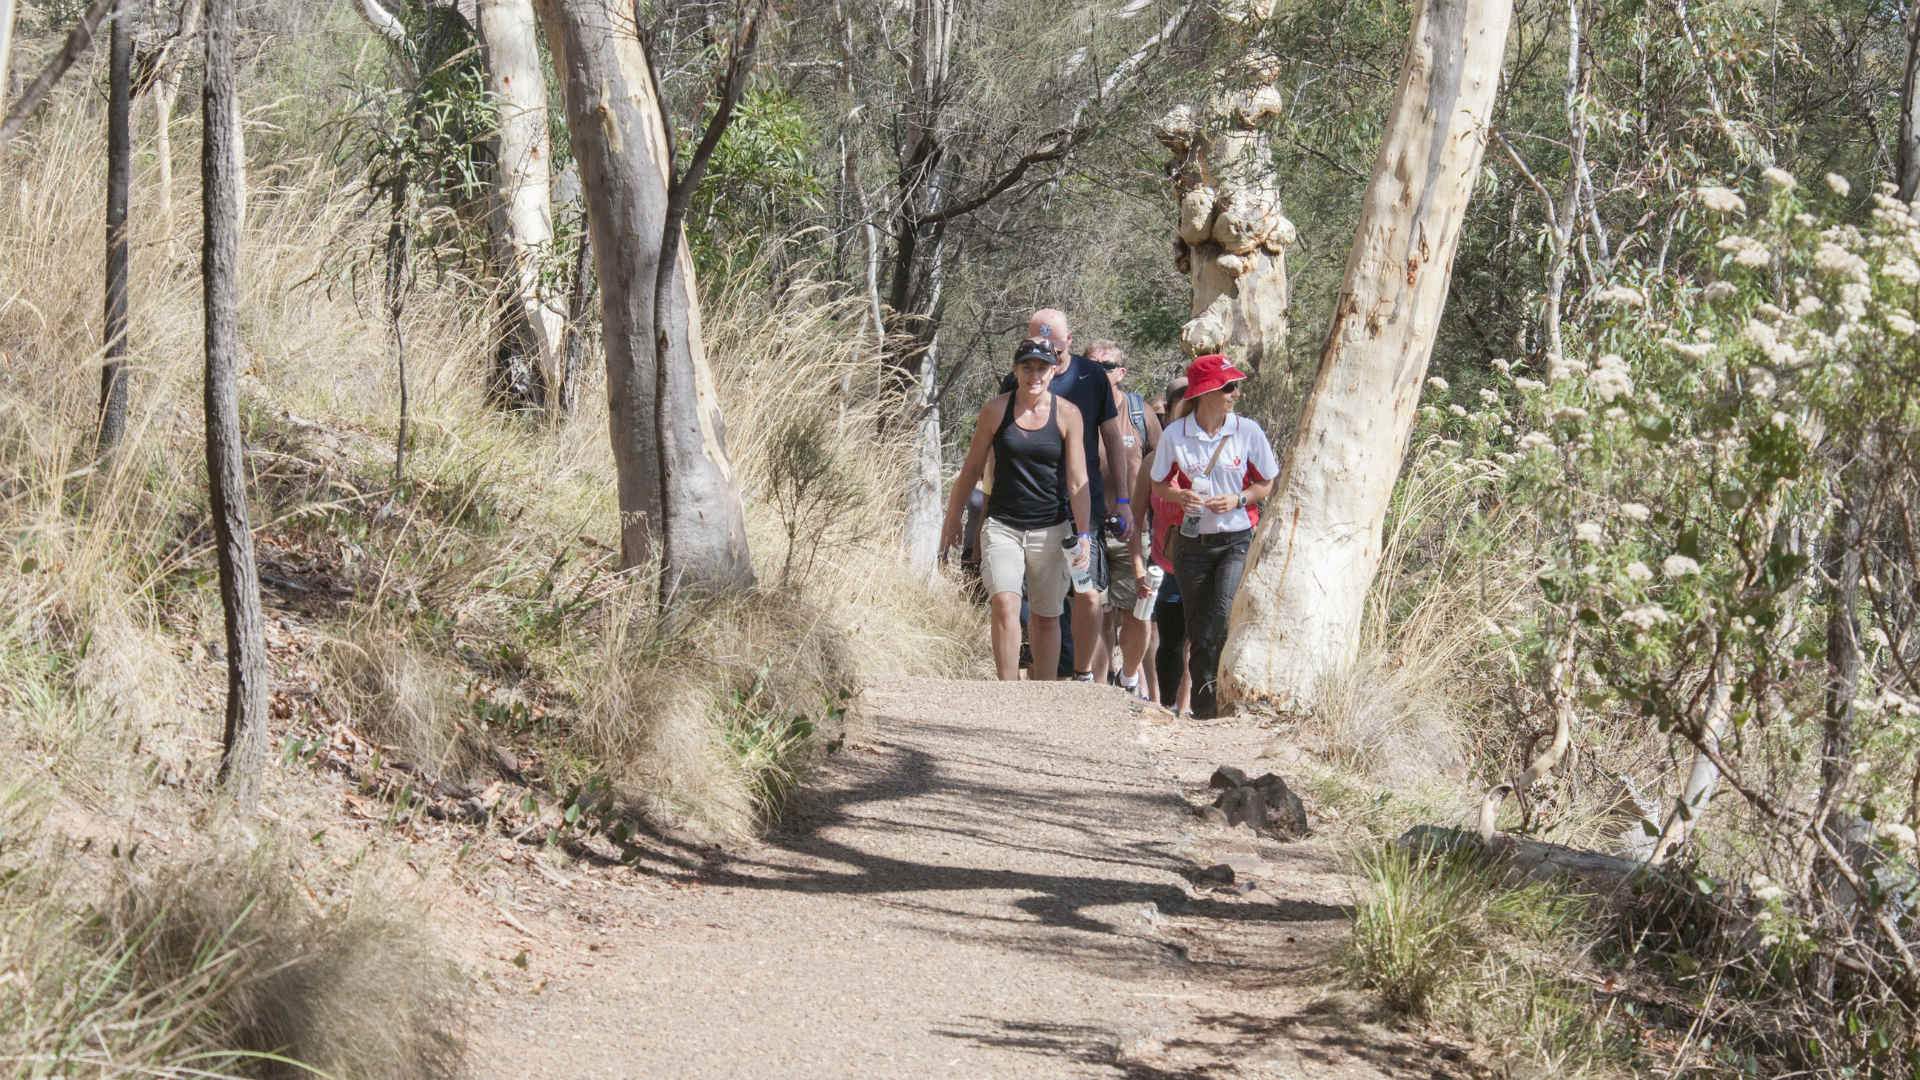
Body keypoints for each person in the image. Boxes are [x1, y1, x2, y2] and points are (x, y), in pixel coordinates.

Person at [942, 338, 1094, 680]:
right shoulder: (996, 411)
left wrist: (1083, 534)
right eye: (1027, 367)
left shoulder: (1068, 414)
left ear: (1053, 371)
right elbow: (970, 470)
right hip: (1002, 525)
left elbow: (1077, 480)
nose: (1034, 375)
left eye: (1042, 368)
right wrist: (953, 517)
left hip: (1051, 528)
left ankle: (1042, 694)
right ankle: (1007, 691)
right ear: (1016, 369)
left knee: (1046, 615)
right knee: (1005, 602)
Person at [1000, 310, 1132, 682]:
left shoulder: (1092, 378)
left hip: (1079, 503)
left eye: (1055, 346)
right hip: (1029, 505)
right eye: (1039, 344)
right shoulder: (1018, 378)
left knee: (1087, 592)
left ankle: (1083, 673)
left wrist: (1122, 499)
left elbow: (1112, 439)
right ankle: (1041, 675)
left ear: (1069, 341)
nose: (1046, 355)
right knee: (1036, 600)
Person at [1149, 354, 1278, 719]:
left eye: (1235, 387)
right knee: (1198, 627)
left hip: (1235, 541)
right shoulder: (1176, 434)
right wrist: (1180, 496)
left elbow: (1266, 482)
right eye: (1228, 387)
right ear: (1206, 392)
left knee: (1220, 618)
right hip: (1191, 545)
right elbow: (1158, 483)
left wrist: (1239, 498)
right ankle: (1205, 710)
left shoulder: (1247, 431)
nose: (1235, 393)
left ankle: (1220, 704)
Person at [1089, 341, 1162, 695]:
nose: (1101, 372)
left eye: (1108, 366)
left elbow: (1162, 469)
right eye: (1092, 365)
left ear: (1121, 372)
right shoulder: (1075, 411)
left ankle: (1130, 678)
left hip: (1137, 531)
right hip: (1089, 528)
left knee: (1138, 610)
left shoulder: (1139, 414)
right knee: (1097, 610)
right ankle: (1100, 689)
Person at [1136, 376, 1190, 713]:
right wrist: (1138, 563)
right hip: (1161, 558)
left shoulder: (1219, 452)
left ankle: (1185, 705)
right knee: (1155, 629)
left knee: (1193, 635)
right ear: (1167, 413)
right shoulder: (1153, 461)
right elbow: (1138, 513)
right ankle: (1154, 699)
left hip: (1202, 560)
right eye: (1183, 408)